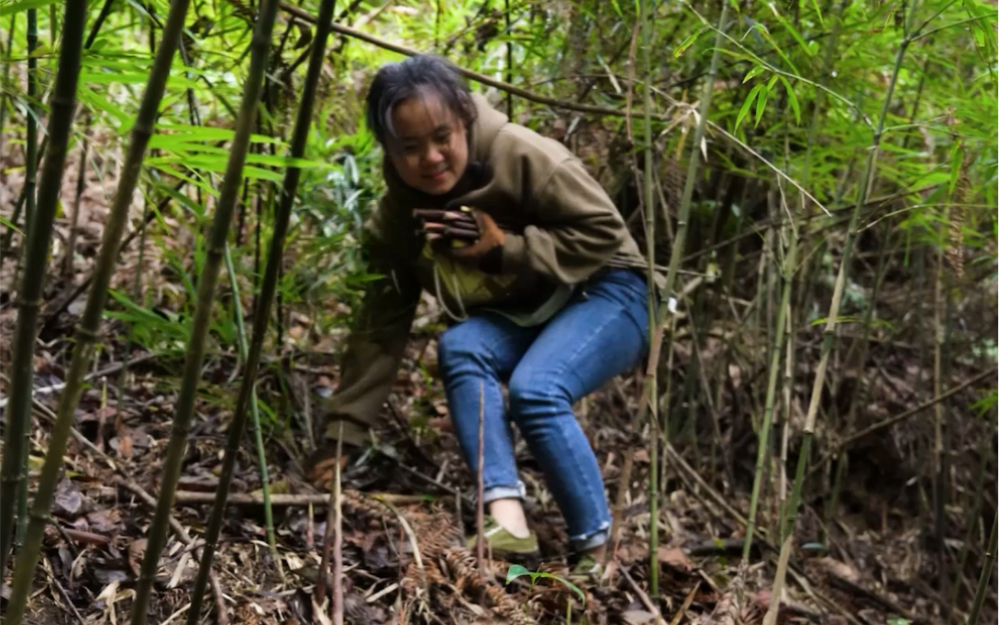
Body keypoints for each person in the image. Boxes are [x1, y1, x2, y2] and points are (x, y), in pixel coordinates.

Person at [308, 54, 652, 580]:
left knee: (538, 389)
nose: (431, 157)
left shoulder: (523, 154)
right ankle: (506, 519)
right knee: (462, 345)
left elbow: (604, 233)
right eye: (409, 147)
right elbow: (380, 324)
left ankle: (597, 552)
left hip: (611, 290)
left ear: (465, 118)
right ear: (388, 150)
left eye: (442, 136)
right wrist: (340, 437)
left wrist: (505, 249)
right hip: (533, 309)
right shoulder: (398, 219)